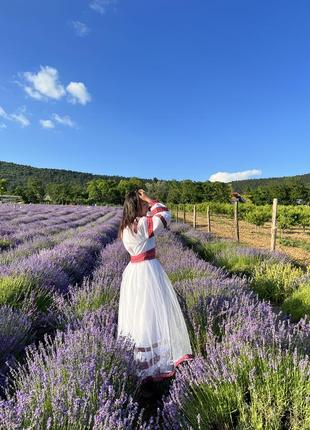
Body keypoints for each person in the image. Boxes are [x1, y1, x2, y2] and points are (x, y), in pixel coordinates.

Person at [117, 189, 194, 398]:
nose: (147, 208)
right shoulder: (141, 224)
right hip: (147, 272)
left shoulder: (125, 228)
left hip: (133, 273)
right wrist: (151, 199)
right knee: (151, 316)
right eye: (143, 206)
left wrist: (146, 206)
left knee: (137, 317)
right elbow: (165, 214)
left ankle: (142, 367)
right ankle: (151, 373)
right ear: (136, 206)